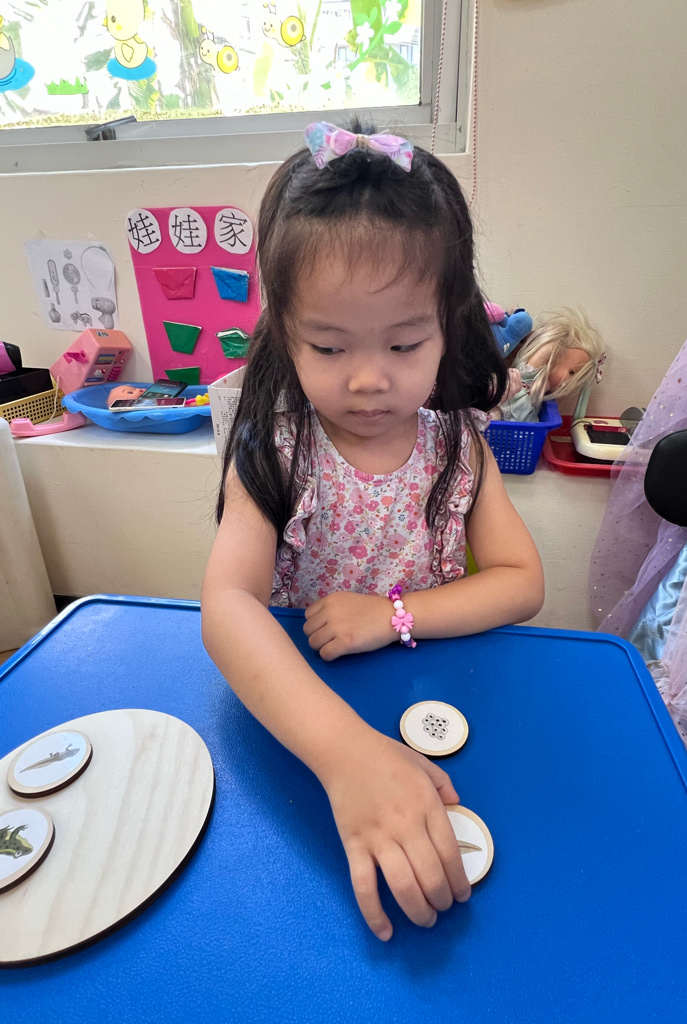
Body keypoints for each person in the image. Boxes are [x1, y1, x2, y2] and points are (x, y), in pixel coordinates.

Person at [201, 120, 545, 942]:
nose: (367, 378)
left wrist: (391, 616)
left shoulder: (459, 445)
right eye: (328, 346)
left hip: (434, 693)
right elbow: (227, 606)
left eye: (403, 342)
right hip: (302, 709)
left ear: (447, 326)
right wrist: (345, 755)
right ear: (286, 333)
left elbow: (522, 583)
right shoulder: (276, 450)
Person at [490, 307, 605, 422]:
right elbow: (545, 350)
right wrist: (555, 339)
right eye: (571, 372)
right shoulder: (526, 377)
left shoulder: (539, 387)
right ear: (553, 357)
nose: (571, 382)